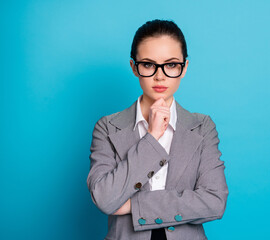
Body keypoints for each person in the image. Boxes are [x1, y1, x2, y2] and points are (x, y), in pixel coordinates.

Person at [87, 19, 229, 240]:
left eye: (171, 64)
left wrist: (135, 205)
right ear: (134, 67)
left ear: (184, 68)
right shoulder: (107, 127)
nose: (160, 76)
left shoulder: (203, 127)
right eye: (148, 64)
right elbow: (105, 199)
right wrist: (152, 137)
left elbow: (214, 202)